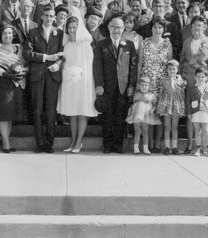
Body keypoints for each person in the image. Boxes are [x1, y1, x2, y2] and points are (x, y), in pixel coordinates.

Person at [93, 16, 138, 154]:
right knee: (107, 118)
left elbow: (133, 66)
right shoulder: (101, 45)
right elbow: (97, 66)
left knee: (120, 118)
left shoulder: (129, 45)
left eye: (119, 27)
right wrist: (99, 84)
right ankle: (107, 145)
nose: (116, 30)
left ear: (123, 28)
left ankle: (118, 146)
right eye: (113, 26)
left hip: (123, 88)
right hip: (106, 87)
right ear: (108, 28)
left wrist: (131, 85)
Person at [23, 4, 64, 153]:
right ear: (41, 16)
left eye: (51, 16)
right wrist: (47, 57)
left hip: (53, 75)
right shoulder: (32, 32)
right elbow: (27, 53)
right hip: (37, 75)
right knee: (37, 109)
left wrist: (58, 64)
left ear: (55, 18)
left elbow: (64, 54)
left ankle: (49, 143)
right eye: (46, 15)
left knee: (51, 110)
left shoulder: (59, 33)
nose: (48, 18)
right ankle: (39, 143)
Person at [57, 17, 99, 153]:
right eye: (69, 27)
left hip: (83, 82)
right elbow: (65, 62)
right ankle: (73, 141)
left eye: (74, 27)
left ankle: (78, 142)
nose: (72, 30)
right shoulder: (68, 44)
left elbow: (88, 65)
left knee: (81, 112)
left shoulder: (85, 44)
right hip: (69, 82)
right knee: (72, 112)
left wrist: (79, 75)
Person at [0, 22, 28, 153]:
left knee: (10, 115)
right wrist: (7, 74)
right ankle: (6, 142)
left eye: (10, 33)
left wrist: (23, 71)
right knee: (3, 114)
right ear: (0, 35)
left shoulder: (19, 48)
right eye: (4, 33)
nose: (7, 35)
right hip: (2, 84)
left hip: (16, 85)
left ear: (13, 34)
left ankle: (6, 139)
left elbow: (25, 63)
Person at [179, 15, 208, 153]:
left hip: (203, 80)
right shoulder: (187, 42)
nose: (197, 28)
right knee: (191, 112)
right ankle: (191, 144)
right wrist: (182, 77)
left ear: (204, 27)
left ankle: (205, 146)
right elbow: (182, 61)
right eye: (194, 25)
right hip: (189, 80)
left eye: (200, 25)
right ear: (191, 27)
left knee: (203, 113)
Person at [137, 16, 172, 152]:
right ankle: (149, 143)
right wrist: (138, 81)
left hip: (162, 84)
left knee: (160, 114)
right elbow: (140, 63)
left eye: (160, 27)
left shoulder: (167, 44)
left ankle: (157, 143)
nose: (157, 30)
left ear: (163, 29)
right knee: (148, 113)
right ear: (151, 28)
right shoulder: (144, 43)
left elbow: (170, 64)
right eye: (155, 27)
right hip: (148, 83)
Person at [156, 60, 186, 155]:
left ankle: (174, 147)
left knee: (174, 127)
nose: (172, 71)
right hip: (166, 104)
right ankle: (167, 147)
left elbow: (182, 93)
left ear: (177, 70)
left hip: (176, 105)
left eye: (174, 69)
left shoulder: (181, 80)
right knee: (167, 126)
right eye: (170, 69)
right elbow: (161, 93)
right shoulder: (163, 80)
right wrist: (159, 104)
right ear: (167, 70)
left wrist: (182, 105)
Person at [186, 68, 208, 157]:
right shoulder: (192, 89)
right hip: (195, 113)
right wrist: (189, 113)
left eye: (203, 77)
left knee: (206, 131)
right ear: (195, 77)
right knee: (197, 131)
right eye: (198, 77)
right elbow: (188, 102)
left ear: (206, 78)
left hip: (205, 113)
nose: (200, 79)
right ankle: (198, 149)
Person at [126, 76, 160, 155]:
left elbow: (155, 104)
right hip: (137, 114)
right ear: (139, 86)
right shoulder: (136, 94)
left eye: (146, 85)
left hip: (146, 115)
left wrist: (153, 109)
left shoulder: (152, 95)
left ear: (149, 86)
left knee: (145, 131)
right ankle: (136, 148)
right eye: (142, 85)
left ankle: (145, 148)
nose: (144, 87)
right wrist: (142, 98)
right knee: (137, 131)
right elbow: (135, 101)